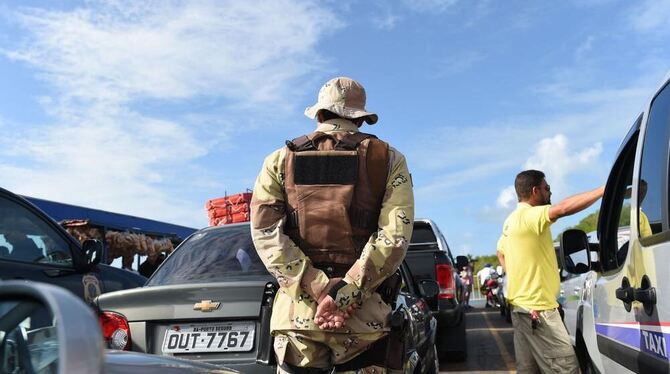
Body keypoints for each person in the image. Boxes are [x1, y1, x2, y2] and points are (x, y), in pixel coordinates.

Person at [250, 76, 414, 373]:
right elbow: (395, 237)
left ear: (320, 114)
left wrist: (318, 286)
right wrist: (345, 292)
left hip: (298, 319)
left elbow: (265, 234)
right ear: (361, 120)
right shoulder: (388, 159)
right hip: (363, 321)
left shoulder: (279, 160)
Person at [497, 169, 604, 374]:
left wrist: (518, 278)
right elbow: (562, 209)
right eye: (547, 188)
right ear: (535, 191)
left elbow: (500, 251)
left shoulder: (510, 221)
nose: (550, 193)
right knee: (566, 369)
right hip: (539, 312)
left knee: (529, 370)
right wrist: (603, 190)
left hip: (522, 311)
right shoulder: (530, 217)